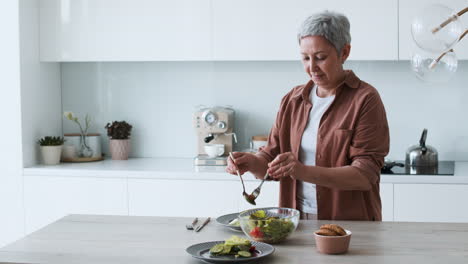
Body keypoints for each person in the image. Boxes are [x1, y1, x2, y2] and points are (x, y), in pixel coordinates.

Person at [226, 10, 390, 221]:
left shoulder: (365, 99)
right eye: (305, 58)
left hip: (349, 223)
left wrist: (301, 171)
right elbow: (270, 159)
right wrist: (250, 163)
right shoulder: (292, 100)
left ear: (344, 52)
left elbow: (365, 175)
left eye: (321, 58)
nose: (312, 68)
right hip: (295, 220)